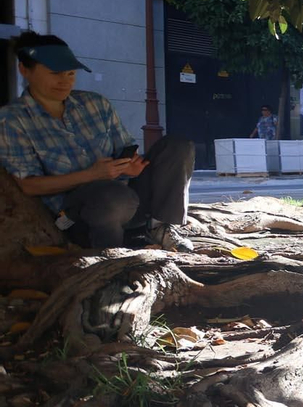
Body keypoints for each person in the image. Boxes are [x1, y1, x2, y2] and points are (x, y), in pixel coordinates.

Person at [0, 32, 194, 250]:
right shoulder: (11, 119)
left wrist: (130, 166)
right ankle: (110, 256)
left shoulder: (95, 104)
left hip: (129, 200)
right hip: (74, 217)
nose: (65, 81)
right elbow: (28, 185)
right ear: (25, 70)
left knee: (177, 147)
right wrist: (92, 175)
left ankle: (160, 227)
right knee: (111, 196)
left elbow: (126, 149)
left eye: (71, 73)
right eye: (55, 73)